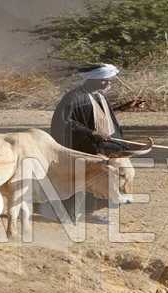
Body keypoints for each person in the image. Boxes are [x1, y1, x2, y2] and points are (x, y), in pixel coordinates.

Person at [48, 63, 133, 223]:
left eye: (109, 81)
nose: (108, 84)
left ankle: (87, 213)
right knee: (82, 181)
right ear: (92, 80)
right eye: (105, 81)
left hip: (98, 147)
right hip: (82, 147)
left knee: (102, 180)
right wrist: (92, 133)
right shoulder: (73, 97)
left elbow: (99, 116)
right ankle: (68, 214)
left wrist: (123, 107)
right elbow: (63, 122)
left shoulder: (98, 95)